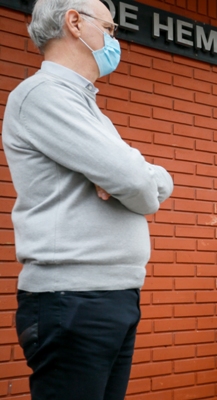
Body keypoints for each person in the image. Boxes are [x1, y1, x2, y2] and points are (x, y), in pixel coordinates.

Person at [2, 0, 173, 399]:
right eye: (111, 29)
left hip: (109, 297)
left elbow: (150, 181)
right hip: (73, 302)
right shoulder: (44, 95)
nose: (115, 41)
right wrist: (134, 177)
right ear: (74, 23)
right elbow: (136, 181)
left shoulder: (88, 107)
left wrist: (137, 177)